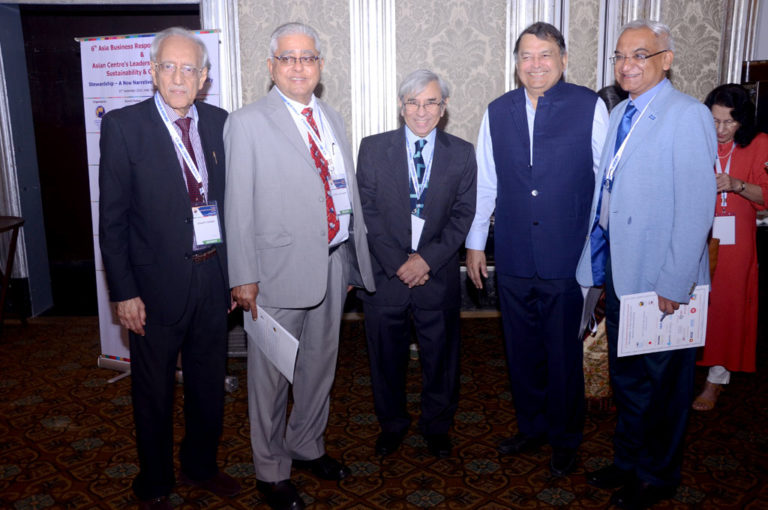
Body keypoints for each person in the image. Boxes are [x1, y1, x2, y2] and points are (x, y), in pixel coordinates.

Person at [223, 22, 375, 510]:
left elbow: (340, 188)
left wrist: (348, 259)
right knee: (270, 379)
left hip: (332, 262)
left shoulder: (331, 116)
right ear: (271, 66)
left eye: (307, 57)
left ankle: (307, 444)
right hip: (274, 272)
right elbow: (237, 206)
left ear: (320, 66)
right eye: (287, 58)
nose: (297, 66)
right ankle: (270, 471)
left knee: (318, 367)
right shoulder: (246, 122)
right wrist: (243, 276)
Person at [575, 20, 716, 509]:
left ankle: (659, 476)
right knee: (629, 378)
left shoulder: (688, 115)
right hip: (623, 270)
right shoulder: (622, 112)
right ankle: (628, 462)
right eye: (619, 56)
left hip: (663, 280)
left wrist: (675, 282)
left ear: (666, 60)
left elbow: (696, 209)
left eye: (639, 55)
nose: (626, 65)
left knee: (664, 386)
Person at [99, 27, 239, 510]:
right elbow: (112, 220)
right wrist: (124, 292)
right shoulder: (124, 126)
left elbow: (230, 207)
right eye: (169, 67)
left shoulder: (220, 123)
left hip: (211, 276)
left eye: (189, 69)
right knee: (153, 391)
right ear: (153, 71)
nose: (179, 78)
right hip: (152, 287)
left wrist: (232, 276)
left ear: (204, 77)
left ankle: (200, 465)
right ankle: (155, 480)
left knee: (208, 383)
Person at [465, 21, 608, 477]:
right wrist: (475, 245)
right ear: (516, 64)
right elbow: (486, 183)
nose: (535, 64)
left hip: (567, 257)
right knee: (521, 351)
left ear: (563, 59)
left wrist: (600, 249)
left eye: (545, 55)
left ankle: (566, 439)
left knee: (563, 354)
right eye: (526, 56)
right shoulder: (497, 111)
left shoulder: (589, 106)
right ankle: (532, 427)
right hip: (512, 255)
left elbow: (605, 183)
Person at [356, 69, 477, 459]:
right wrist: (399, 263)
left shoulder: (462, 153)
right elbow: (366, 212)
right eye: (413, 102)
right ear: (401, 106)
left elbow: (463, 215)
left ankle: (437, 426)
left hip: (435, 275)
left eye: (431, 102)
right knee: (385, 360)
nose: (421, 111)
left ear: (444, 108)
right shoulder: (372, 149)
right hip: (386, 275)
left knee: (441, 360)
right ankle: (391, 425)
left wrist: (426, 260)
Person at [693, 84, 768, 411]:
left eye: (729, 122)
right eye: (714, 120)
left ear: (743, 120)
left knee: (728, 305)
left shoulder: (760, 144)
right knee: (692, 300)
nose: (721, 129)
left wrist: (736, 185)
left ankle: (716, 379)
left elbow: (766, 195)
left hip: (736, 240)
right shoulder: (698, 140)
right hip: (697, 234)